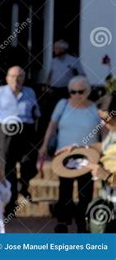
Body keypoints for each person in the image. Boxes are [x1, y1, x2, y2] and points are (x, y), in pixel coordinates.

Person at [39, 76, 101, 233]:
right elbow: (52, 126)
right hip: (64, 156)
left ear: (87, 92)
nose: (77, 95)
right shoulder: (63, 105)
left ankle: (83, 223)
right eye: (73, 92)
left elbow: (105, 134)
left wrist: (105, 153)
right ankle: (63, 222)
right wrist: (45, 146)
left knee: (85, 193)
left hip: (89, 156)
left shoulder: (95, 109)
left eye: (80, 92)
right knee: (65, 191)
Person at [0, 66, 40, 215]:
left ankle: (23, 184)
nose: (16, 79)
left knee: (29, 161)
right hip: (5, 130)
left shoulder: (30, 92)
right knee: (8, 167)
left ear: (24, 78)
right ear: (7, 78)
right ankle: (11, 205)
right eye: (13, 76)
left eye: (20, 76)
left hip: (25, 130)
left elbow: (36, 113)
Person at [86, 93, 116, 232]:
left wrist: (107, 176)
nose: (103, 123)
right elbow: (105, 148)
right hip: (109, 201)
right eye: (100, 118)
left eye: (106, 118)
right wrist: (79, 148)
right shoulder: (112, 132)